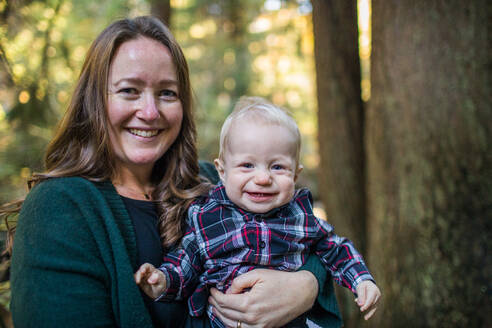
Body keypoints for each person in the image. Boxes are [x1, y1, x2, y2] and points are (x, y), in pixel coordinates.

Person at [3, 17, 343, 328]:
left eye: (167, 93)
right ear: (94, 100)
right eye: (129, 91)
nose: (150, 112)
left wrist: (306, 286)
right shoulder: (59, 208)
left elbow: (310, 241)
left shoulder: (216, 184)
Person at [134, 96, 381, 327]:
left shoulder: (299, 217)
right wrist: (162, 281)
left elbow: (336, 248)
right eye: (247, 165)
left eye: (277, 167)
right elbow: (185, 264)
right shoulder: (207, 216)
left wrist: (361, 280)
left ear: (296, 174)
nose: (262, 178)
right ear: (222, 171)